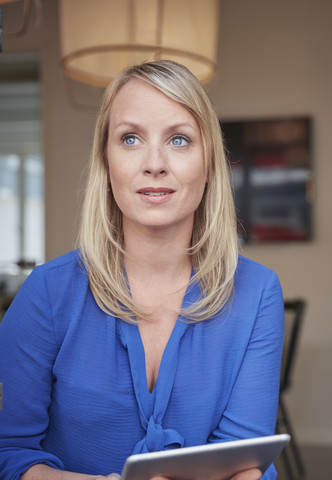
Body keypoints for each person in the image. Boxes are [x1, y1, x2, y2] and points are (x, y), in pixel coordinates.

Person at [0, 60, 284, 480]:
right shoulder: (46, 293)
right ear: (107, 162)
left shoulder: (257, 291)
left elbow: (244, 462)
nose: (154, 163)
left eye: (180, 140)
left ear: (208, 166)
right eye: (130, 138)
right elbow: (10, 452)